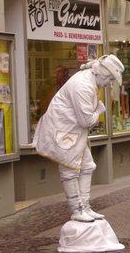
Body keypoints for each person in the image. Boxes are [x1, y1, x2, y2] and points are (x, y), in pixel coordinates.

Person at [33, 54, 124, 222]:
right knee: (70, 169)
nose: (110, 83)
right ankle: (77, 209)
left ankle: (85, 206)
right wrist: (99, 110)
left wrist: (94, 111)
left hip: (72, 132)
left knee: (88, 166)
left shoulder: (89, 81)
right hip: (64, 132)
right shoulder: (83, 85)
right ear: (103, 73)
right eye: (110, 78)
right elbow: (86, 120)